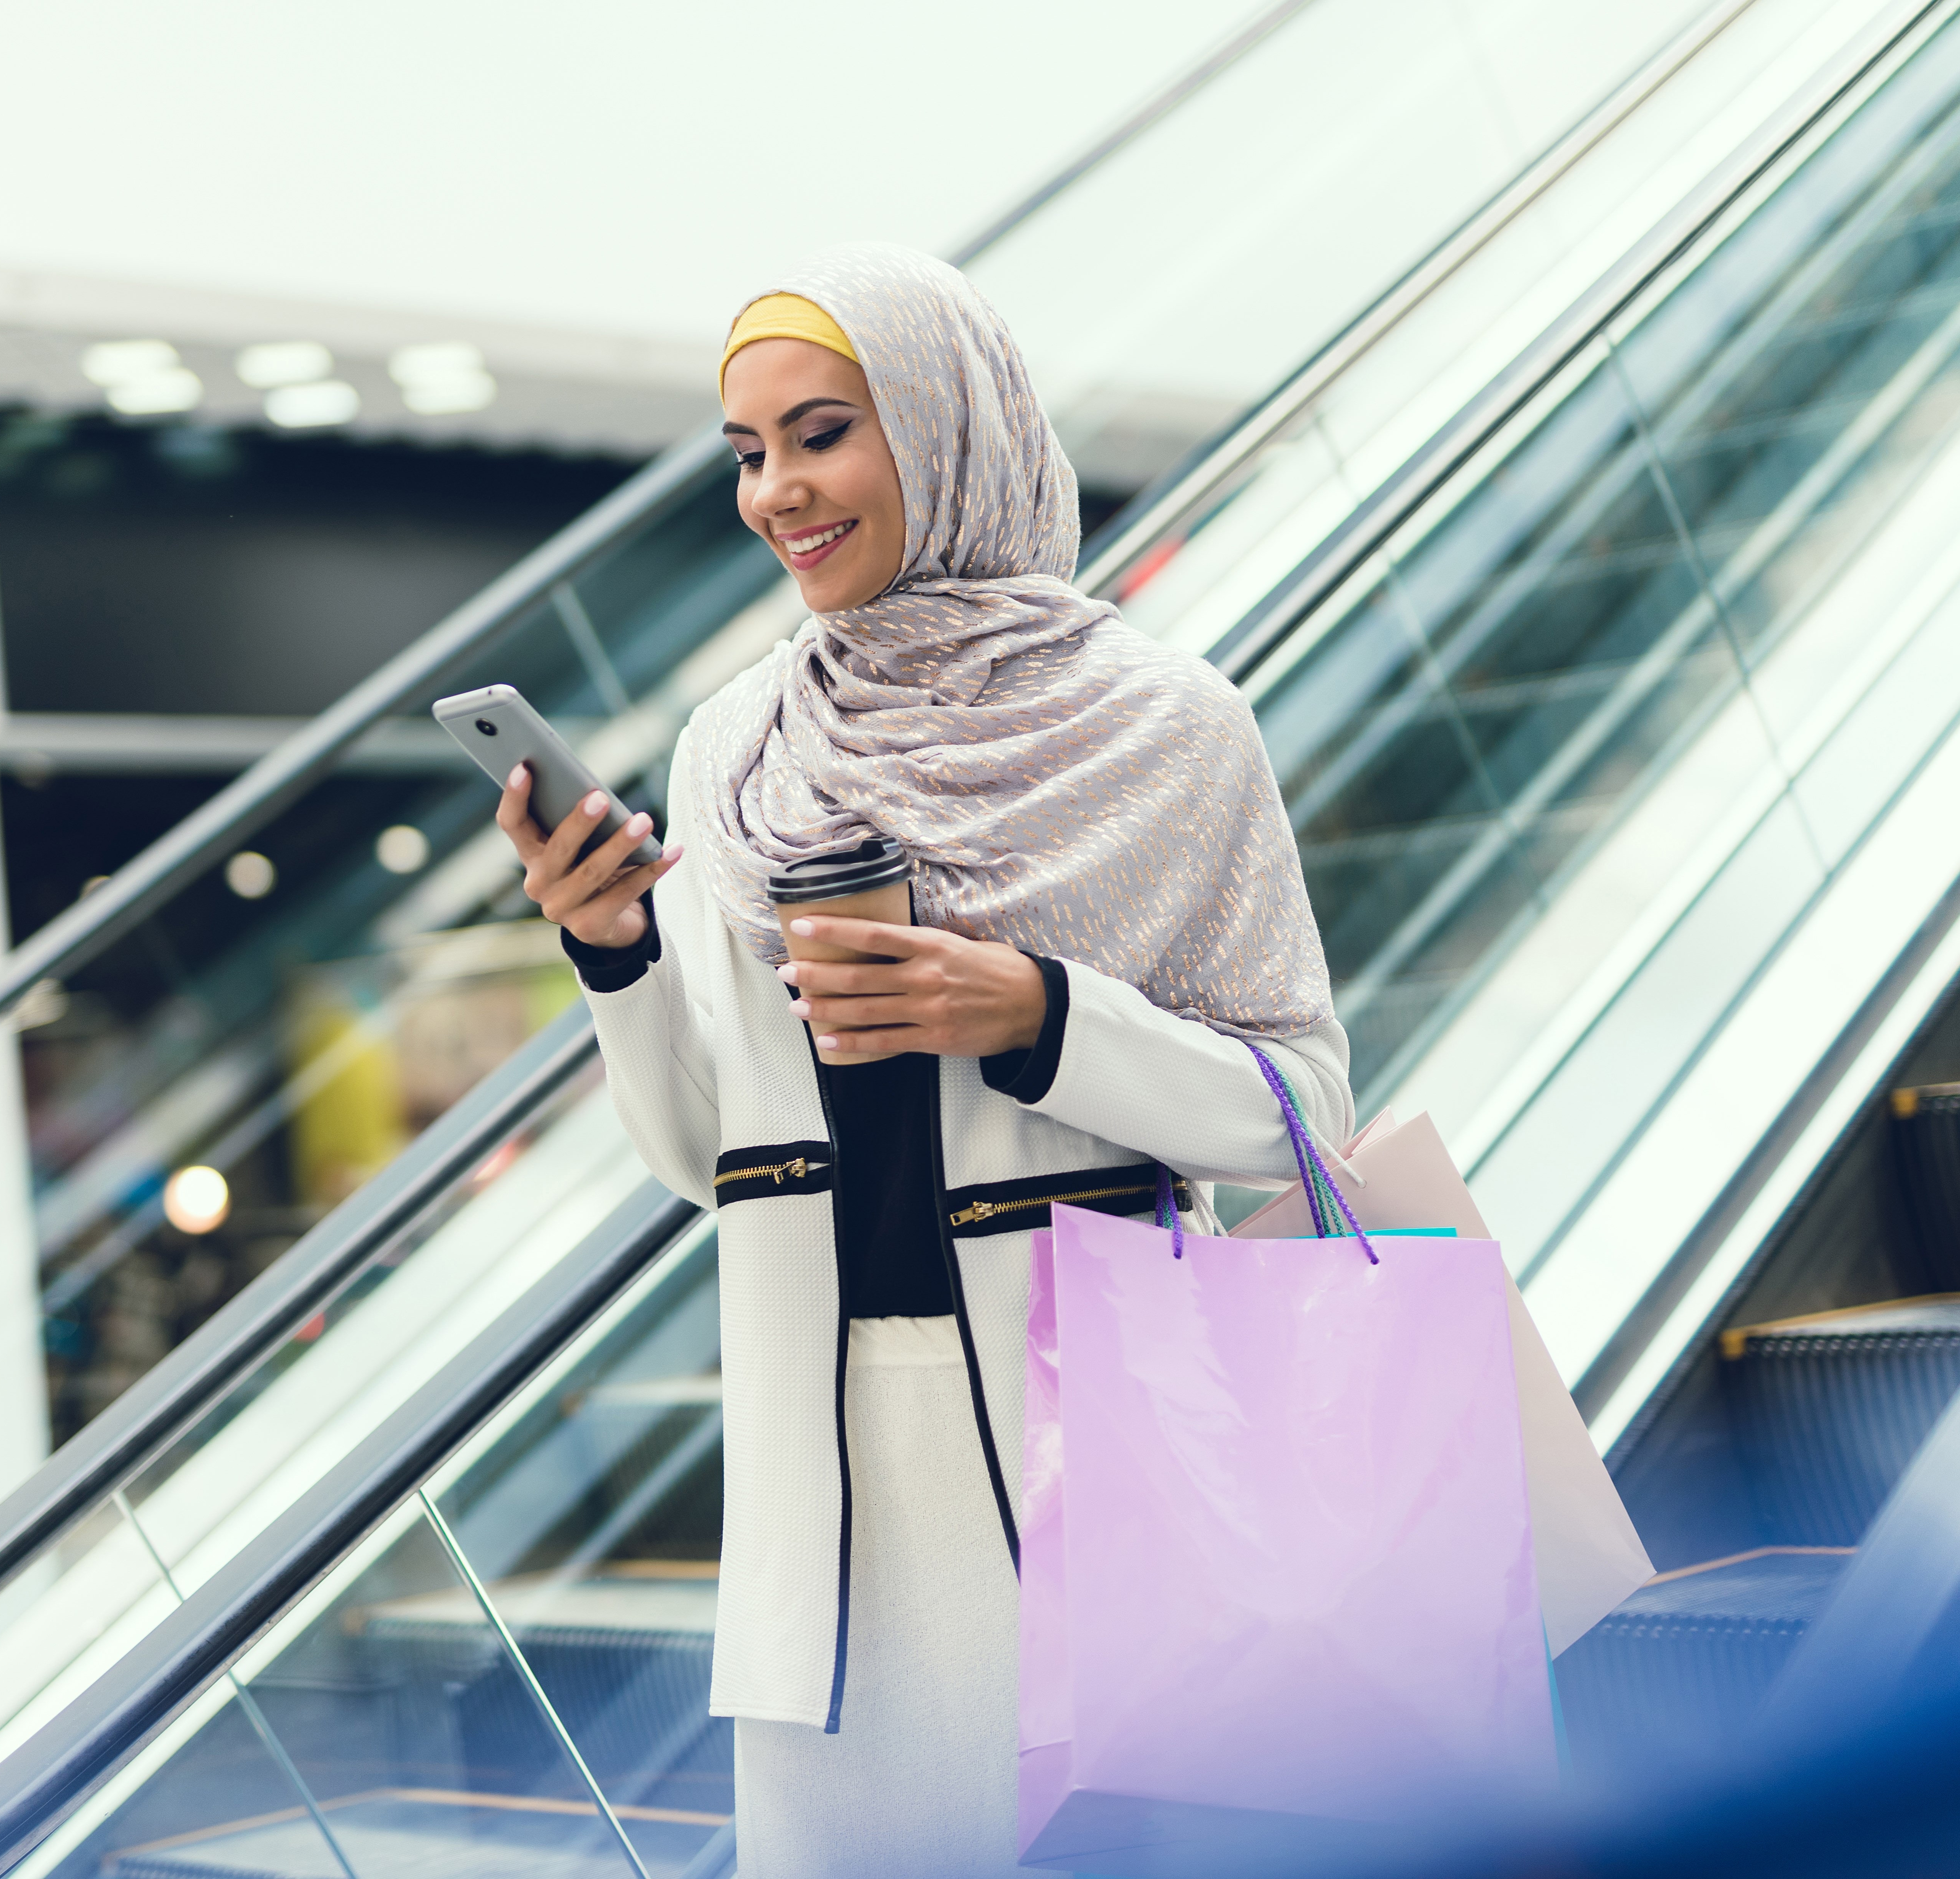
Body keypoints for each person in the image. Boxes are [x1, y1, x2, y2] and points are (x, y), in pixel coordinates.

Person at [493, 245, 1352, 1879]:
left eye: (820, 432)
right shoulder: (735, 745)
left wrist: (1031, 1013)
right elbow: (707, 1162)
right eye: (747, 452)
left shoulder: (1165, 728)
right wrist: (611, 953)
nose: (774, 492)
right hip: (827, 1503)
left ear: (951, 428)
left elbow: (1301, 1111)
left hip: (1090, 1442)